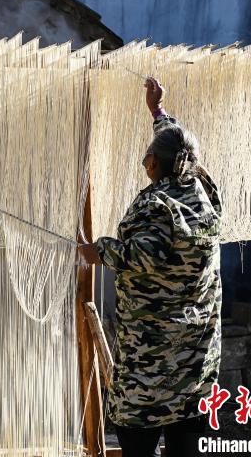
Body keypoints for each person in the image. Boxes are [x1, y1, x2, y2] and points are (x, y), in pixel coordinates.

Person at [79, 77, 222, 457]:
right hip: (195, 361)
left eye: (146, 156)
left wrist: (102, 251)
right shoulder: (203, 194)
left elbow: (142, 256)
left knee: (137, 442)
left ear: (155, 163)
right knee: (187, 440)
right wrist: (158, 112)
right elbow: (181, 149)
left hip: (150, 366)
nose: (144, 162)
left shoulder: (155, 206)